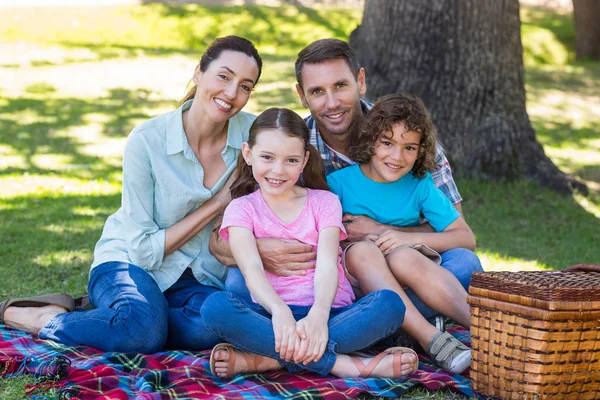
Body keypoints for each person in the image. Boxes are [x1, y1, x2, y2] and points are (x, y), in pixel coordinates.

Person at [0, 36, 262, 353]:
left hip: (198, 277)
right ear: (198, 73)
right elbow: (142, 253)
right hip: (128, 263)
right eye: (224, 76)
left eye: (246, 86)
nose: (232, 94)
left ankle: (123, 316)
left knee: (214, 328)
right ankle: (47, 318)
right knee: (142, 334)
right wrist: (218, 204)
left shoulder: (254, 137)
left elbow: (292, 151)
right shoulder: (147, 141)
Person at [212, 38, 482, 332]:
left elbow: (455, 230)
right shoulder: (291, 151)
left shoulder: (410, 141)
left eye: (340, 86)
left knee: (464, 265)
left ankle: (368, 326)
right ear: (302, 96)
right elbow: (222, 239)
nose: (331, 103)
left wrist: (384, 234)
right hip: (320, 282)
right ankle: (388, 325)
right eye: (317, 91)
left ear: (360, 81)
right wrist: (261, 250)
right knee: (238, 283)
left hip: (406, 268)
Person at [201, 108, 418, 379]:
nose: (278, 171)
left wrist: (318, 316)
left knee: (390, 305)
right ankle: (343, 365)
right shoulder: (241, 209)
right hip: (272, 317)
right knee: (214, 307)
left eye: (290, 160)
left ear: (304, 161)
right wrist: (280, 312)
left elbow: (328, 264)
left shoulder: (324, 202)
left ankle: (268, 359)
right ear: (248, 153)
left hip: (332, 314)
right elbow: (251, 269)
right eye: (267, 157)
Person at [327, 93, 473, 373]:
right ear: (371, 140)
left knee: (405, 257)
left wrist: (406, 238)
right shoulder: (338, 184)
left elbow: (465, 238)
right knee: (364, 251)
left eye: (409, 147)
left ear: (420, 151)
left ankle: (487, 332)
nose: (397, 156)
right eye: (387, 143)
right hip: (360, 291)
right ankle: (431, 337)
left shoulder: (419, 185)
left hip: (410, 277)